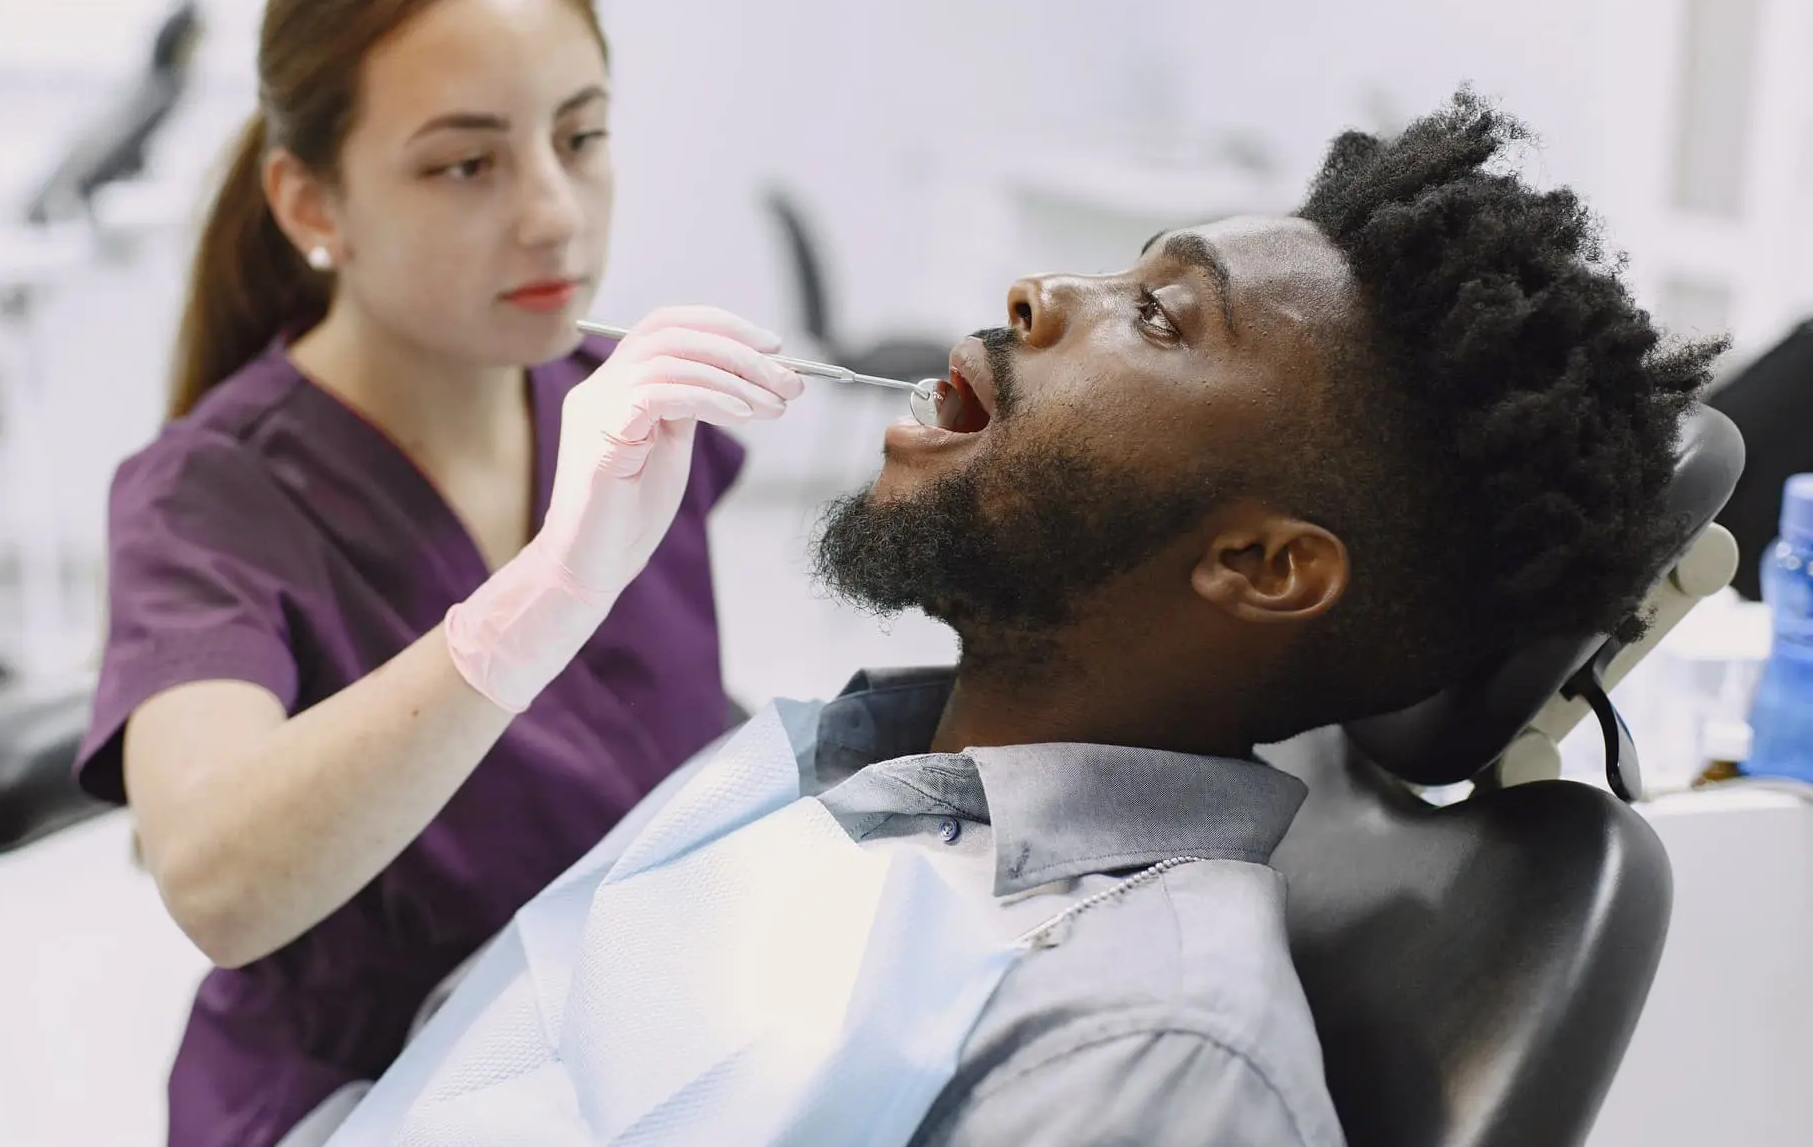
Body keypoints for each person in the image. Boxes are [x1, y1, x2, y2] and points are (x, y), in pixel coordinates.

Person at [348, 91, 1725, 1147]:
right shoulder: (844, 759)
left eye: (1165, 318)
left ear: (1262, 565)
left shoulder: (1147, 1048)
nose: (1040, 295)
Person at [72, 0, 804, 1147]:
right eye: (466, 162)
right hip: (369, 1102)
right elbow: (215, 882)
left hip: (623, 1063)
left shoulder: (623, 423)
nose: (551, 214)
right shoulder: (219, 492)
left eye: (579, 138)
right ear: (311, 205)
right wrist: (540, 596)